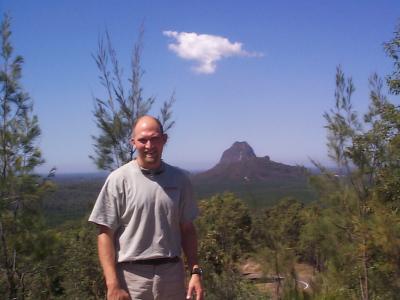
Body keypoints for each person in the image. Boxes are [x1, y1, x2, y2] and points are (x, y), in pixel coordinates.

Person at [89, 115, 204, 300]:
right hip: (131, 279)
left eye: (154, 138)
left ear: (164, 139)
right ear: (133, 142)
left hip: (172, 277)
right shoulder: (119, 179)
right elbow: (105, 234)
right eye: (143, 140)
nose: (149, 146)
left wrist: (195, 272)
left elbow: (188, 230)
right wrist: (112, 285)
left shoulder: (180, 180)